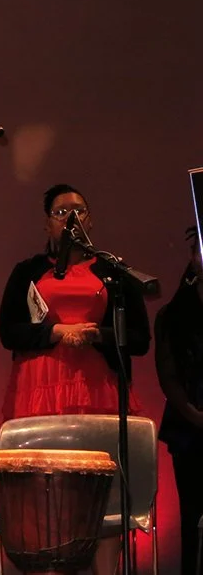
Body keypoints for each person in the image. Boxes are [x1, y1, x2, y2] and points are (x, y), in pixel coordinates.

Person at [0, 183, 151, 575]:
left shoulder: (114, 272)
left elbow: (139, 339)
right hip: (40, 390)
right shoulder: (28, 272)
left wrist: (98, 334)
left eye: (79, 210)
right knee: (48, 495)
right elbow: (8, 331)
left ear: (90, 220)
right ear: (47, 224)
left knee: (103, 492)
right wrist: (56, 333)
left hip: (98, 389)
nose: (71, 218)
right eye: (61, 212)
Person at [155, 226, 203, 575]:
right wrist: (195, 415)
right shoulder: (173, 314)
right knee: (193, 514)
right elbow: (168, 376)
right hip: (190, 428)